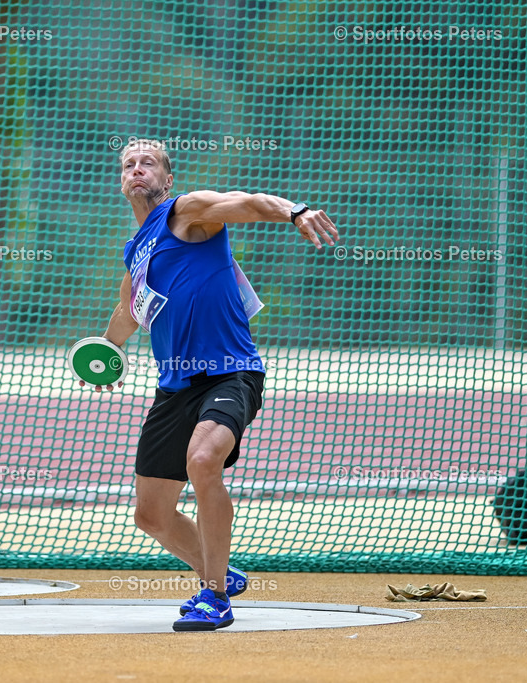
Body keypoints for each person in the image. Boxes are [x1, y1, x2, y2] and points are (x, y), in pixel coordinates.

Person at [90, 138, 338, 631]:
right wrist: (104, 352)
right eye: (129, 164)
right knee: (152, 516)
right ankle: (219, 570)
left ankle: (215, 595)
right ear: (122, 182)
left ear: (167, 179)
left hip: (230, 373)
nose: (137, 170)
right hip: (173, 387)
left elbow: (245, 202)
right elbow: (128, 308)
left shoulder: (187, 212)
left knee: (203, 460)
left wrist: (295, 210)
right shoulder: (135, 249)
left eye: (149, 164)